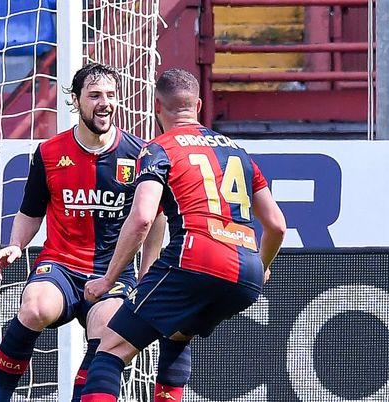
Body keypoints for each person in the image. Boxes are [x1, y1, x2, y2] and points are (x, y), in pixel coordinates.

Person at [80, 68, 287, 401]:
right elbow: (276, 224)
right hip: (246, 273)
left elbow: (143, 218)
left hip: (195, 257)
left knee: (111, 348)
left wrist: (108, 280)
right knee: (177, 333)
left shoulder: (157, 149)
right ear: (200, 105)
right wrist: (262, 265)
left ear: (156, 108)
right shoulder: (237, 151)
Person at [0, 63, 165, 402]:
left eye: (112, 95)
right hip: (61, 267)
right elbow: (31, 211)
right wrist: (15, 245)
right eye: (95, 95)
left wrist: (146, 275)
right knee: (35, 308)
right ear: (75, 100)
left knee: (109, 330)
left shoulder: (140, 154)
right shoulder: (49, 152)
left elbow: (155, 218)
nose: (105, 103)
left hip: (113, 273)